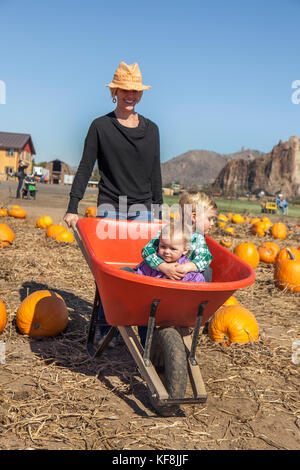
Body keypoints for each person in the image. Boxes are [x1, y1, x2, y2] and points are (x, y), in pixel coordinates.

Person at [63, 61, 163, 346]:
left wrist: (158, 210)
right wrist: (73, 207)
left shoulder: (152, 129)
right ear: (114, 92)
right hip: (111, 207)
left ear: (141, 94)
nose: (130, 96)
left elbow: (156, 172)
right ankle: (108, 326)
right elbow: (85, 167)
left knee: (144, 269)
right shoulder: (100, 126)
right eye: (124, 90)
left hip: (143, 208)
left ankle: (141, 329)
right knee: (110, 272)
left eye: (135, 91)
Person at [141, 191, 217, 282]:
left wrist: (186, 267)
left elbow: (205, 257)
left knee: (207, 271)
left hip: (183, 276)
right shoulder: (169, 230)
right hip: (158, 272)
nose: (212, 223)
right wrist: (163, 266)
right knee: (141, 266)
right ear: (194, 217)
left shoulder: (198, 238)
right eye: (209, 219)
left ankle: (201, 293)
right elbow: (147, 251)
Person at [133, 221, 205, 282]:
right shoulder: (152, 263)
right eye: (163, 246)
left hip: (178, 295)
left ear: (185, 250)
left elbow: (198, 281)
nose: (166, 251)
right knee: (126, 271)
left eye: (173, 249)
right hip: (152, 294)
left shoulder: (186, 268)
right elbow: (140, 276)